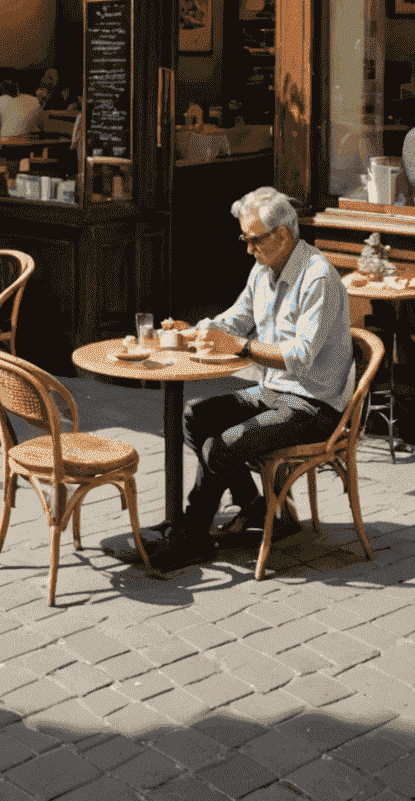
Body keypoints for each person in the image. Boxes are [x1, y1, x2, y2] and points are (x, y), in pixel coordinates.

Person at [148, 187, 354, 570]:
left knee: (226, 444)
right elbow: (235, 319)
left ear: (282, 234)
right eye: (244, 238)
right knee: (196, 415)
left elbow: (299, 357)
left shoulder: (318, 278)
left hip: (315, 403)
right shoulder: (263, 270)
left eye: (254, 239)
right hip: (273, 390)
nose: (248, 248)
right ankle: (258, 508)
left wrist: (240, 346)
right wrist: (195, 331)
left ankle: (193, 537)